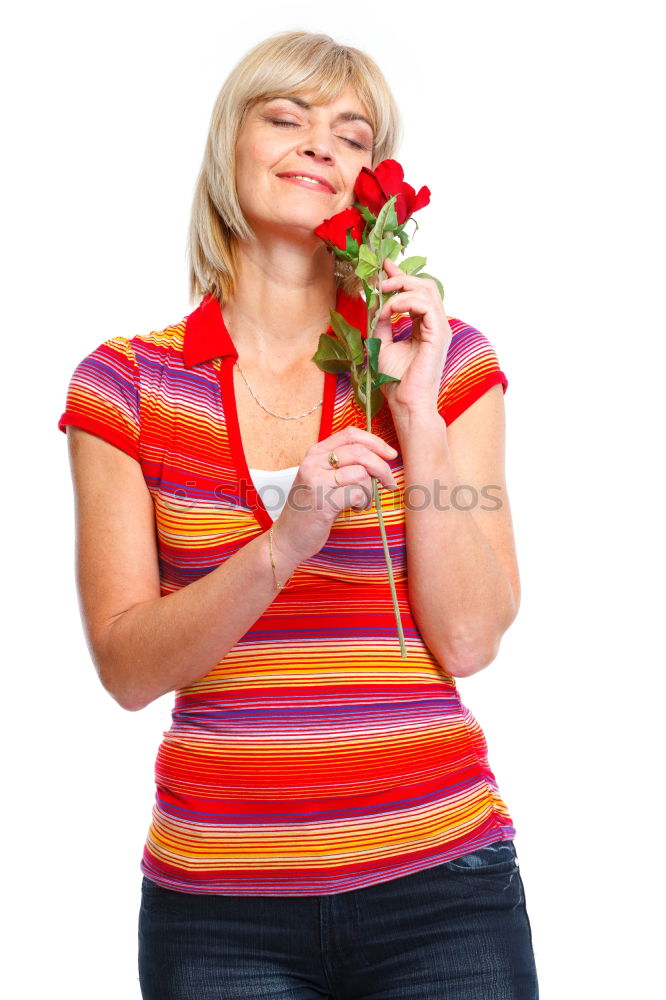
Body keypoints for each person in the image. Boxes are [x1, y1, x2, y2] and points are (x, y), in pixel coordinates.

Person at [57, 28, 539, 1000]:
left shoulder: (447, 362)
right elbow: (126, 665)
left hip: (444, 889)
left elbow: (472, 634)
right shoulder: (127, 384)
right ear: (228, 148)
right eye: (286, 116)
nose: (322, 142)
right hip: (218, 914)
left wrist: (418, 418)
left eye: (354, 134)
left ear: (374, 186)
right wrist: (286, 543)